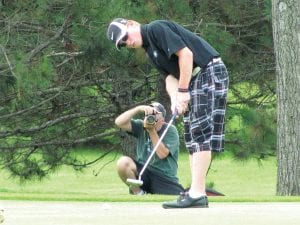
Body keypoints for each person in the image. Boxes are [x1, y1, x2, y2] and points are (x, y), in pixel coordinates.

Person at [107, 18, 229, 208]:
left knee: (200, 133)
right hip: (194, 79)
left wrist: (182, 92)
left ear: (131, 24)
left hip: (208, 71)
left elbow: (186, 55)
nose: (127, 43)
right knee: (192, 136)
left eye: (125, 37)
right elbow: (170, 77)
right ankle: (197, 192)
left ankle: (197, 193)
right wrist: (175, 99)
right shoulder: (151, 52)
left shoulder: (156, 29)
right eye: (123, 44)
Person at [115, 102, 184, 195]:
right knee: (123, 162)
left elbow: (162, 154)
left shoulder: (170, 130)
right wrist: (138, 108)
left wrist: (151, 131)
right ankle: (138, 193)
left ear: (162, 119)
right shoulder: (141, 126)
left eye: (156, 115)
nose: (152, 118)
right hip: (144, 172)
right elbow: (119, 122)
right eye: (149, 115)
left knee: (178, 196)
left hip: (164, 177)